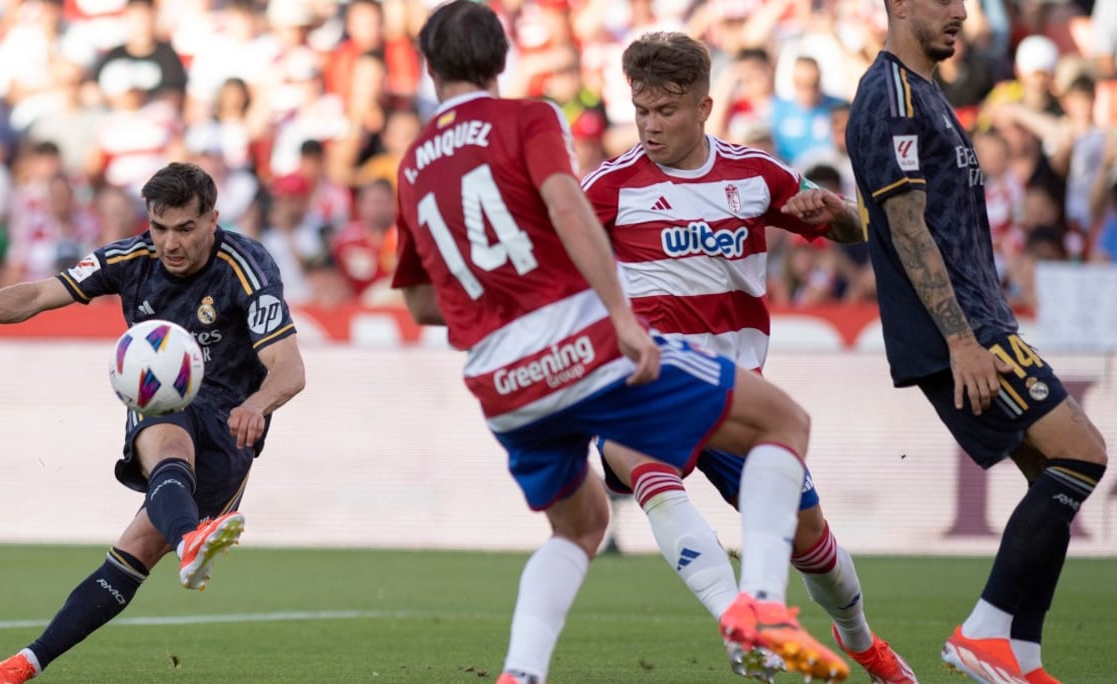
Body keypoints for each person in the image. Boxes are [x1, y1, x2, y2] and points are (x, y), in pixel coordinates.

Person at [391, 3, 848, 683]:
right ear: (502, 60)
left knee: (578, 528)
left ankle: (521, 673)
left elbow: (422, 300)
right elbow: (569, 207)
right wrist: (618, 316)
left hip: (498, 381)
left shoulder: (410, 165)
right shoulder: (531, 118)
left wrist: (499, 309)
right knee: (784, 420)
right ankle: (755, 608)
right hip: (578, 351)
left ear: (429, 70)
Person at [582, 31, 916, 684]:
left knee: (814, 547)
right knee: (640, 462)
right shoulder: (607, 189)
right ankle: (742, 620)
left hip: (739, 396)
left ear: (705, 107)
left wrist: (838, 213)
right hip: (651, 382)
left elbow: (850, 232)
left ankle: (862, 643)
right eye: (641, 110)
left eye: (666, 112)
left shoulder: (755, 175)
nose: (650, 126)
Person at [0, 162, 307, 684]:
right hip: (163, 399)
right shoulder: (130, 258)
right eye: (159, 228)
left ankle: (180, 542)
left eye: (184, 228)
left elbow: (290, 368)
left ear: (213, 221)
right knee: (165, 426)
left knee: (132, 554)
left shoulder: (247, 265)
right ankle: (24, 665)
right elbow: (43, 294)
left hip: (231, 423)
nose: (169, 243)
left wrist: (258, 404)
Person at [846, 2, 1108, 683]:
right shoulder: (892, 93)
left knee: (1056, 474)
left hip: (982, 318)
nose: (960, 10)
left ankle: (1019, 654)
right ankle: (984, 629)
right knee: (1083, 454)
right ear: (899, 5)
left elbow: (892, 212)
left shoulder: (926, 92)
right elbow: (905, 225)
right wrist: (963, 340)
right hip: (962, 327)